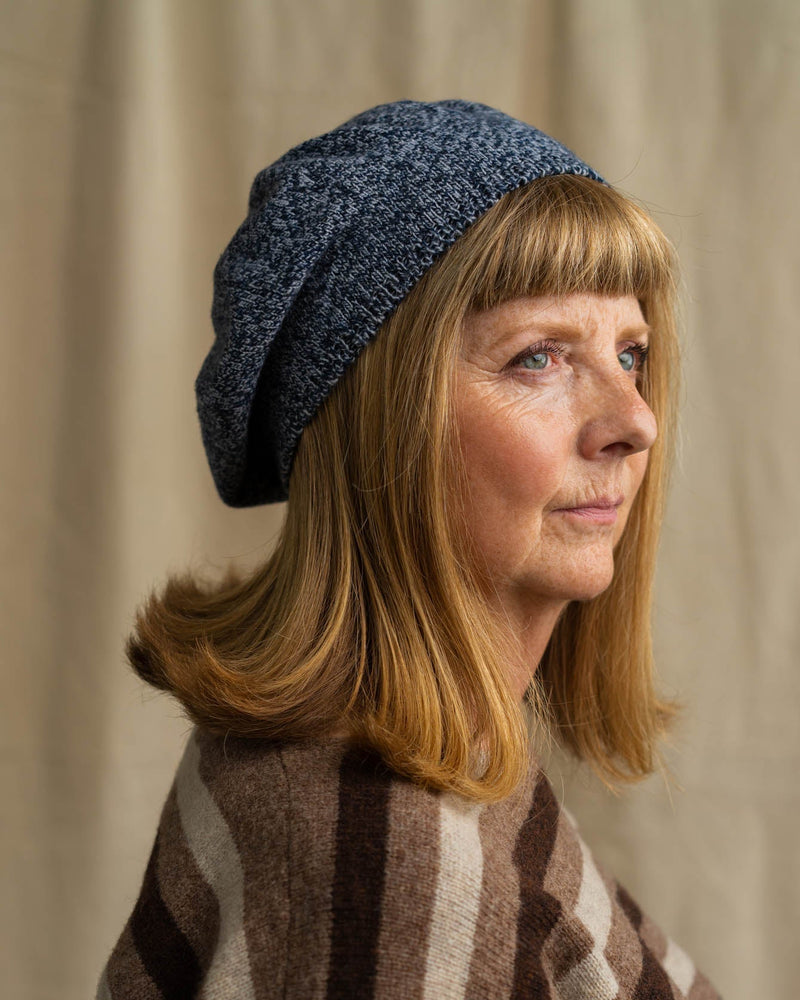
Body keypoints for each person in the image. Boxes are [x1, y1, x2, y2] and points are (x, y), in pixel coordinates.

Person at [95, 100, 721, 999]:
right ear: (383, 427)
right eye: (538, 357)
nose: (635, 421)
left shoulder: (430, 765)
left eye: (631, 353)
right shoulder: (382, 857)